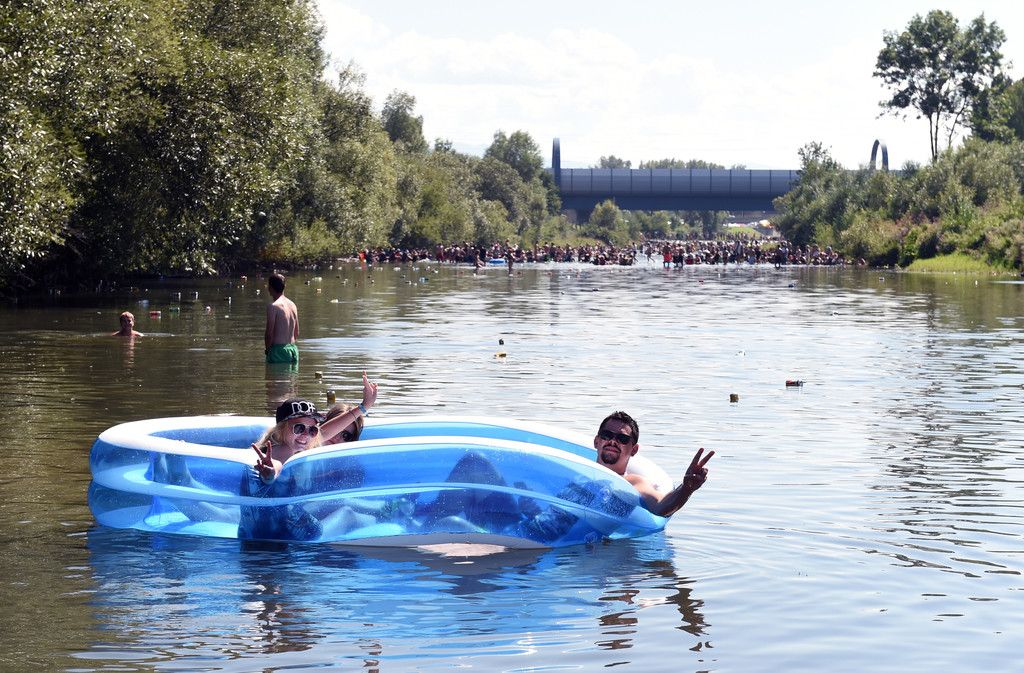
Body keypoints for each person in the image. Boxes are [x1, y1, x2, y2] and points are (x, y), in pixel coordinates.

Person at [239, 373, 378, 541]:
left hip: (257, 534)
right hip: (286, 535)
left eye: (312, 430)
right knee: (345, 515)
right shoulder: (281, 450)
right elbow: (277, 464)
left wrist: (363, 407)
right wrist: (270, 475)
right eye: (299, 428)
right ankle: (385, 517)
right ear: (281, 428)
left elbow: (325, 431)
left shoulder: (295, 444)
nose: (306, 435)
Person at [594, 411, 713, 517]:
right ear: (596, 442)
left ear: (634, 450)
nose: (613, 441)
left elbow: (660, 506)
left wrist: (686, 488)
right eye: (607, 435)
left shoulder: (634, 484)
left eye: (622, 438)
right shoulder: (582, 469)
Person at [264, 273, 299, 364]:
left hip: (278, 351)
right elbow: (296, 333)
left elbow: (269, 334)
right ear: (284, 286)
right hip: (293, 350)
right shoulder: (293, 305)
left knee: (275, 373)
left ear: (270, 288)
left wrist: (268, 350)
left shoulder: (273, 307)